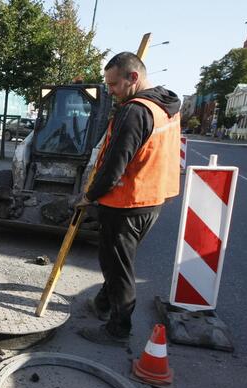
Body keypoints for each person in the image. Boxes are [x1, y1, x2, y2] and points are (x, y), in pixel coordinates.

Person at [73, 52, 181, 346]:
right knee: (118, 261)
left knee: (118, 268)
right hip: (152, 199)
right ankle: (103, 304)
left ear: (133, 78)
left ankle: (118, 330)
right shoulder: (164, 107)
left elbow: (113, 164)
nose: (111, 91)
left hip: (126, 202)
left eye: (113, 84)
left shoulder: (135, 111)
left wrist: (89, 196)